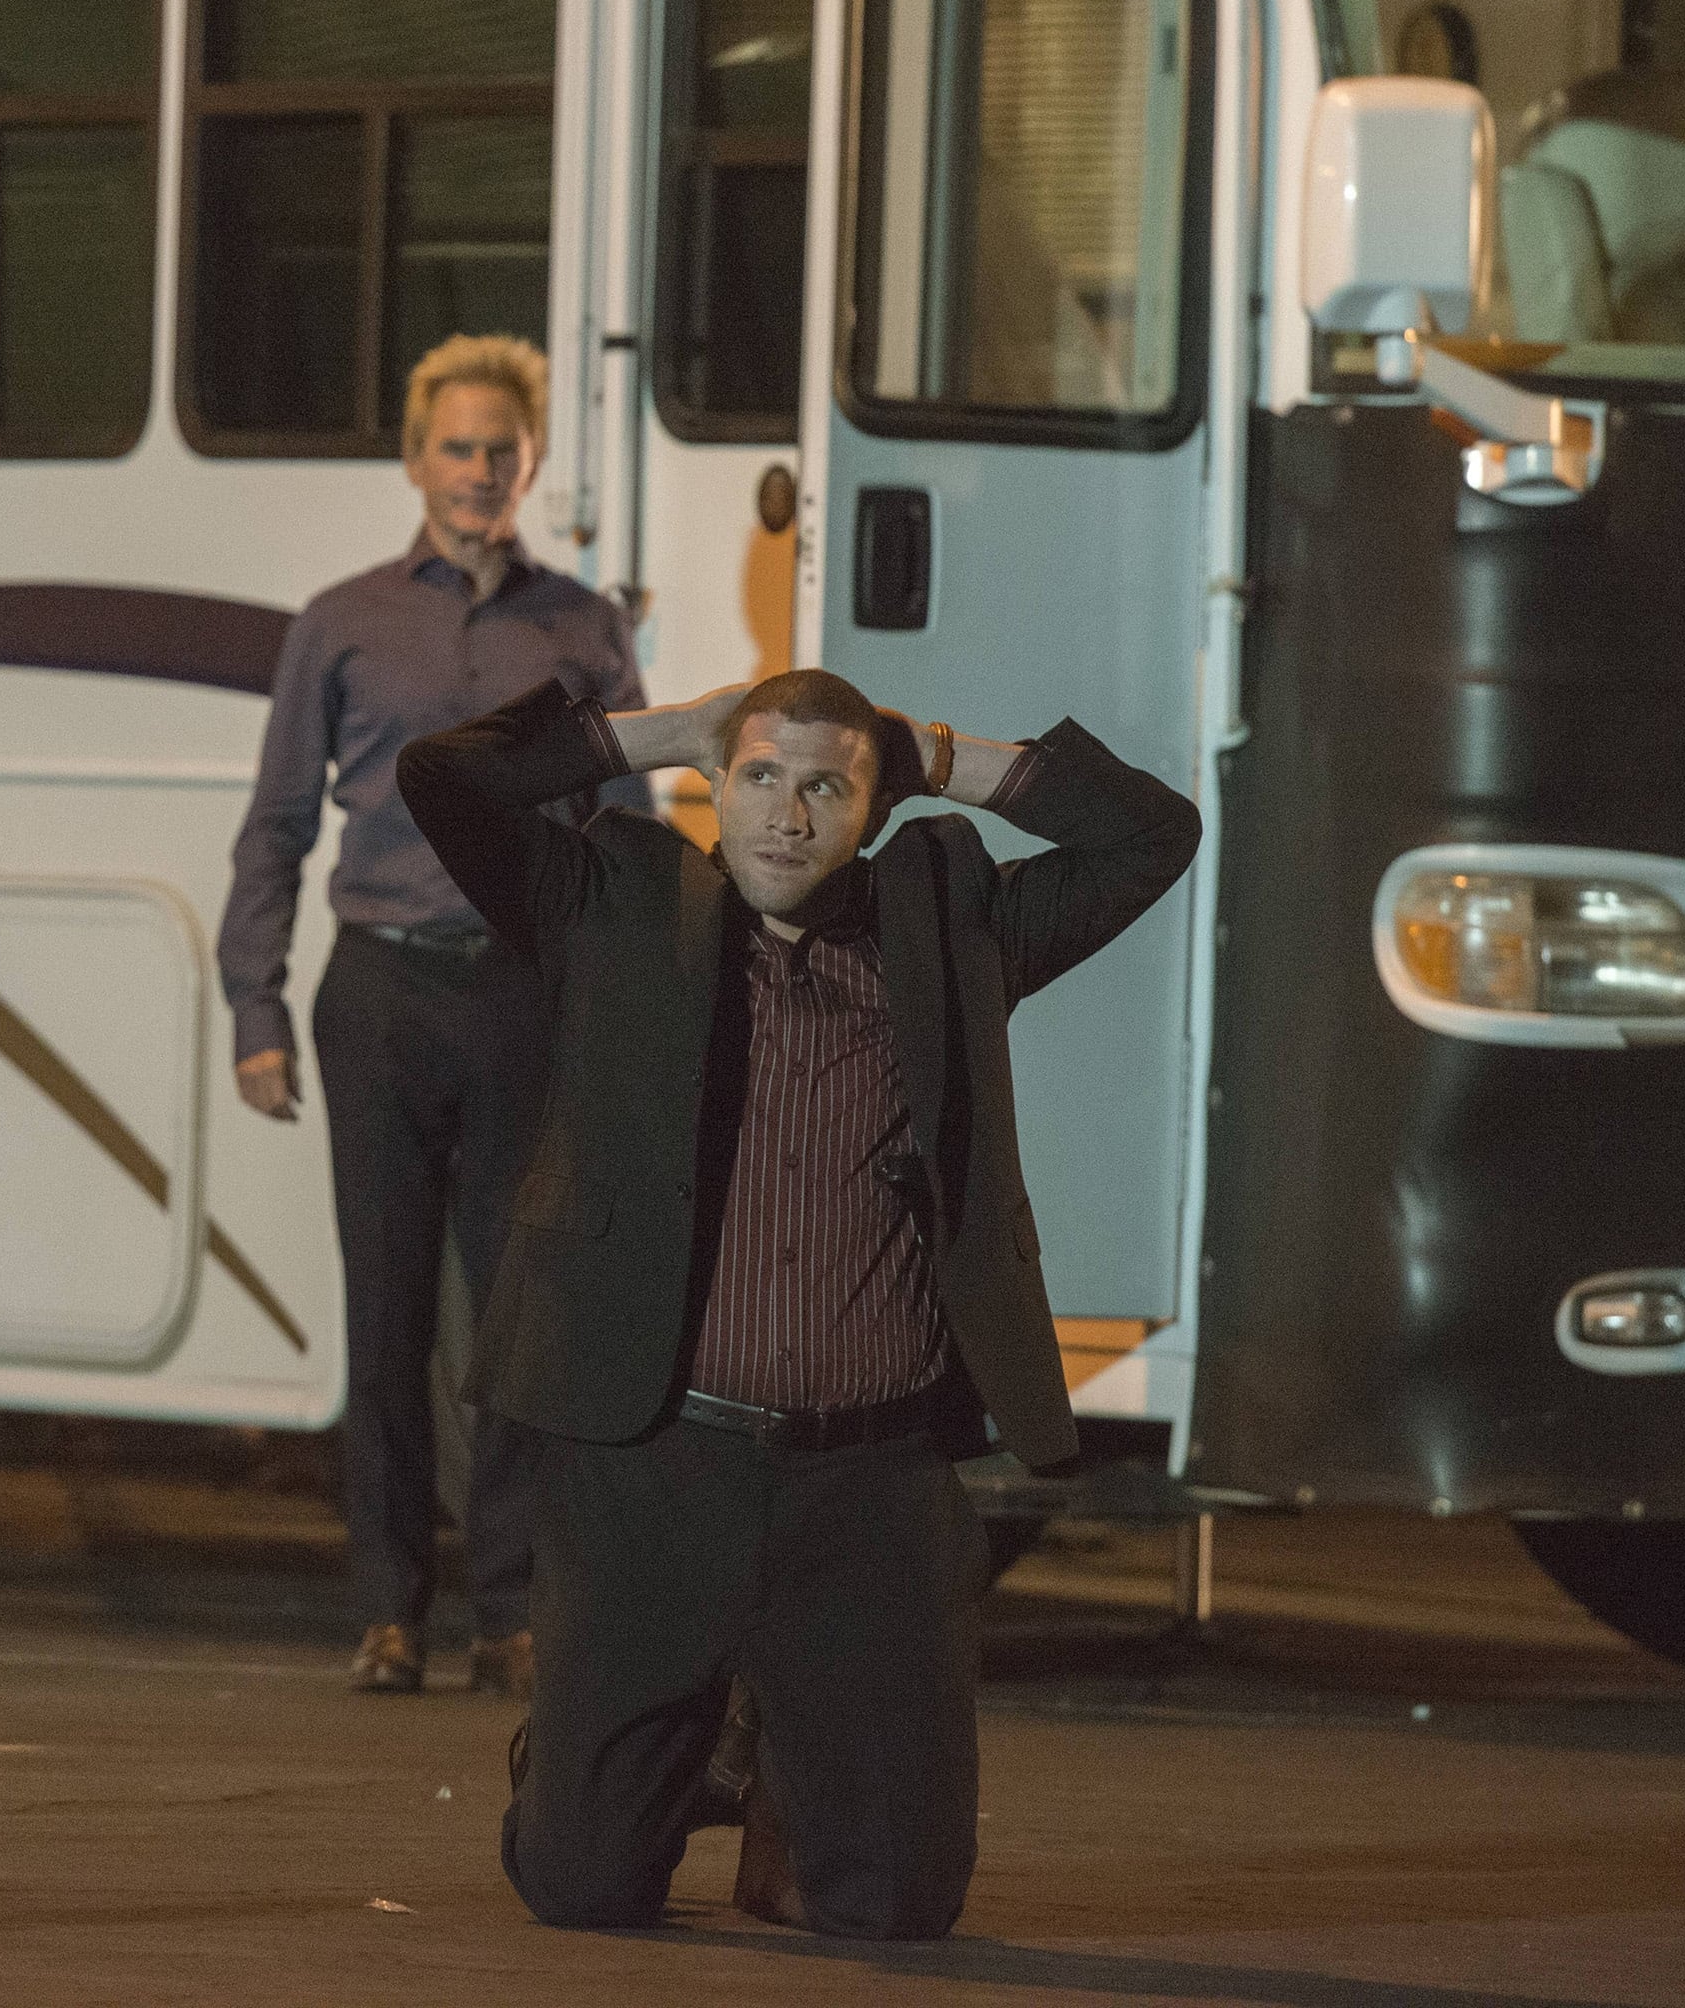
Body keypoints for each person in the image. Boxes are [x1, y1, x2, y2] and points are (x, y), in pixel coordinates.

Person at [397, 667, 1199, 1938]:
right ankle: (599, 1759)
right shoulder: (609, 903)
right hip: (654, 1461)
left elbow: (1154, 833)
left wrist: (942, 754)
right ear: (719, 785)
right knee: (583, 1886)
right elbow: (442, 778)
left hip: (868, 1484)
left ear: (875, 809)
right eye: (761, 776)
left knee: (895, 1910)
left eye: (828, 787)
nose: (786, 813)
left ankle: (784, 1773)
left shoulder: (954, 926)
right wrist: (671, 730)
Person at [220, 335, 648, 1698]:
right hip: (382, 995)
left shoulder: (586, 629)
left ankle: (508, 1610)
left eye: (500, 450)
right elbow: (277, 826)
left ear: (531, 465)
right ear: (416, 463)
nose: (478, 470)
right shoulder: (338, 622)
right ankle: (388, 1609)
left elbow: (626, 833)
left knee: (520, 1316)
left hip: (521, 995)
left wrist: (627, 1010)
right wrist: (254, 1006)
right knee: (387, 1310)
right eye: (455, 448)